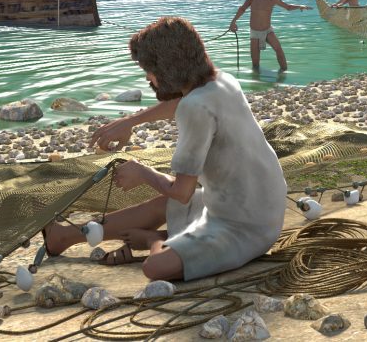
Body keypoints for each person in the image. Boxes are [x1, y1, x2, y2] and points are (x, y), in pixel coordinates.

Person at [44, 17, 287, 282]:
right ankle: (63, 237)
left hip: (243, 227)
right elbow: (181, 104)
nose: (148, 77)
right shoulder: (222, 81)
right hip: (259, 208)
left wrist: (143, 172)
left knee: (156, 266)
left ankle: (155, 240)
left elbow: (182, 192)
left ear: (167, 67)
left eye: (149, 69)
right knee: (162, 205)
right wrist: (129, 122)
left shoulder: (195, 108)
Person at [228, 0, 310, 71]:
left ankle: (284, 74)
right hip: (255, 32)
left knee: (279, 50)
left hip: (267, 31)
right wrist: (233, 22)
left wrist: (300, 6)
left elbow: (287, 7)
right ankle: (256, 82)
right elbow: (242, 9)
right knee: (255, 63)